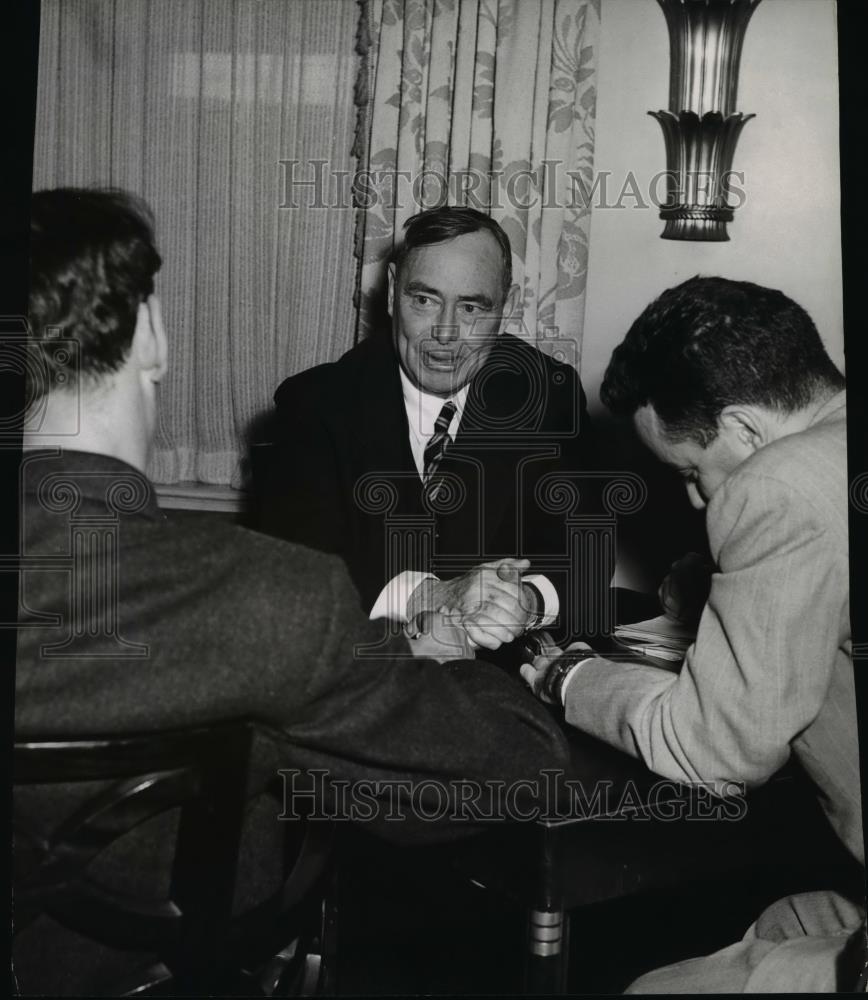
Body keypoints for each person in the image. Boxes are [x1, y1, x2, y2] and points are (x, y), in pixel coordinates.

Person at [15, 188, 570, 993]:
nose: (447, 329)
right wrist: (434, 637)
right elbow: (518, 764)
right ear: (154, 336)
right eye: (425, 299)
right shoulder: (269, 600)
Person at [520, 276, 864, 992]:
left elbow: (712, 750)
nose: (697, 497)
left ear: (744, 427)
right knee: (781, 924)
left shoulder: (777, 483)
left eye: (690, 472)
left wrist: (569, 677)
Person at [261, 206, 605, 653]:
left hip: (501, 683)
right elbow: (293, 575)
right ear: (391, 295)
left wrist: (526, 600)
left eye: (471, 307)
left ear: (510, 306)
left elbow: (587, 557)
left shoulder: (548, 397)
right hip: (362, 672)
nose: (445, 332)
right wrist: (432, 596)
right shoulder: (314, 406)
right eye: (423, 300)